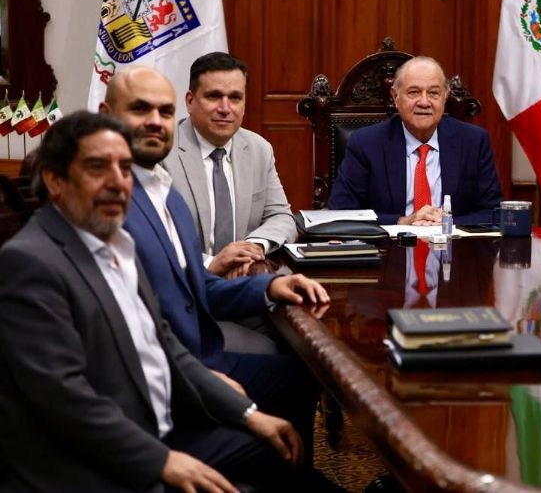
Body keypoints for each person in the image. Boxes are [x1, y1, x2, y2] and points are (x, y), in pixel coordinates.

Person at [0, 112, 326, 492]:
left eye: (124, 169)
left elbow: (165, 346)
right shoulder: (29, 262)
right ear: (55, 181)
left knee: (276, 446)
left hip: (157, 424)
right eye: (96, 168)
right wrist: (163, 461)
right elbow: (64, 400)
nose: (118, 183)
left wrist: (247, 412)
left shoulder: (116, 245)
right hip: (88, 461)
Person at [99, 66, 337, 478]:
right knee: (273, 445)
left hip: (195, 349)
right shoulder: (110, 204)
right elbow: (128, 330)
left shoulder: (165, 197)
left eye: (162, 110)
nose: (156, 121)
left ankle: (296, 479)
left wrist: (273, 284)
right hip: (166, 375)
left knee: (302, 373)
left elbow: (198, 286)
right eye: (141, 109)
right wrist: (214, 388)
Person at [163, 51, 297, 278]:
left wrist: (253, 247)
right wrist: (210, 264)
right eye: (214, 96)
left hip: (243, 280)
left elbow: (281, 217)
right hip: (185, 283)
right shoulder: (162, 152)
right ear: (189, 101)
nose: (225, 108)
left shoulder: (258, 149)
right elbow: (154, 235)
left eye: (235, 97)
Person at [328, 56, 503, 225]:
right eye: (414, 92)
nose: (424, 102)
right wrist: (402, 221)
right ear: (395, 97)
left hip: (455, 251)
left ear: (445, 97)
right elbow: (341, 212)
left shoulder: (473, 142)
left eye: (434, 93)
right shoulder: (366, 144)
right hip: (389, 250)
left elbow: (494, 213)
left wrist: (446, 223)